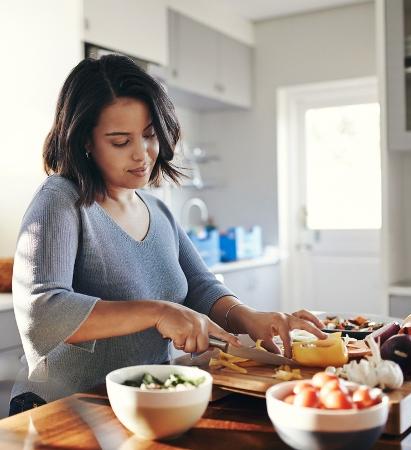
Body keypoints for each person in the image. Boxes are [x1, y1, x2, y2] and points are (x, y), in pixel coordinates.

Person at [10, 54, 326, 415]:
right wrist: (157, 312)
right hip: (65, 409)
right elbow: (42, 310)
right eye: (119, 141)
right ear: (85, 140)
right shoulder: (60, 200)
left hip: (143, 404)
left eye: (149, 135)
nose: (143, 154)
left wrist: (249, 318)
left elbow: (201, 288)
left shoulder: (156, 209)